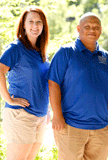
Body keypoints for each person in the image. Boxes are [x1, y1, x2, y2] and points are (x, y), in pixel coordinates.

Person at [47, 12, 108, 160]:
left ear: (101, 30)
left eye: (96, 27)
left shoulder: (107, 58)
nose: (92, 30)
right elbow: (53, 84)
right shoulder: (66, 52)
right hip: (71, 125)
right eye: (87, 27)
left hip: (99, 127)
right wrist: (57, 116)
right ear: (78, 28)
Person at [0, 6, 50, 160]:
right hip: (21, 116)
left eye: (39, 22)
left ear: (43, 26)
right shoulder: (16, 48)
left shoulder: (41, 52)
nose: (35, 26)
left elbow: (41, 84)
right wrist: (8, 98)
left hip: (40, 117)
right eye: (31, 22)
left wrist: (47, 111)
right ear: (23, 24)